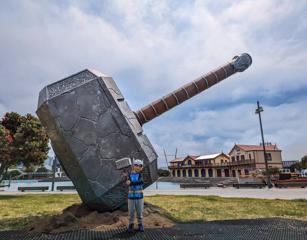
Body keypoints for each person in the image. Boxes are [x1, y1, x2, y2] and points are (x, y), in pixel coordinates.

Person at [126, 159, 145, 232]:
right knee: (131, 212)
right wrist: (127, 182)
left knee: (139, 212)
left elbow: (140, 182)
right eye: (136, 165)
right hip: (131, 197)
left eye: (140, 165)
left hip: (139, 197)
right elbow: (127, 182)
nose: (138, 167)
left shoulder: (141, 175)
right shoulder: (129, 175)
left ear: (141, 167)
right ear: (133, 166)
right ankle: (131, 225)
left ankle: (140, 224)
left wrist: (130, 183)